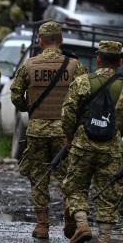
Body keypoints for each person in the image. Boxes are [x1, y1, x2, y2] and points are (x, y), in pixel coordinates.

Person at [10, 21, 87, 239]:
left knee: (39, 176)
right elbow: (85, 97)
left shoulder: (30, 65)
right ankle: (70, 215)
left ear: (40, 41)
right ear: (60, 40)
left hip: (37, 131)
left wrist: (29, 108)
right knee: (69, 178)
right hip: (65, 134)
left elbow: (16, 95)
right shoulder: (75, 66)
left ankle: (42, 225)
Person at [61, 41, 123, 243]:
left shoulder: (82, 81)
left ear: (98, 59)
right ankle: (104, 237)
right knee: (109, 191)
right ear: (120, 62)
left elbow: (68, 113)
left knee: (75, 186)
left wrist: (69, 137)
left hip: (82, 144)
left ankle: (82, 224)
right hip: (111, 147)